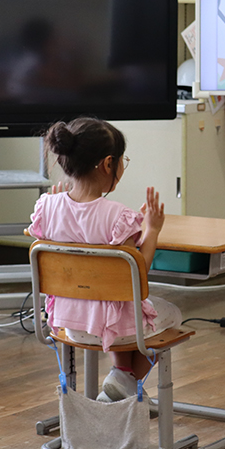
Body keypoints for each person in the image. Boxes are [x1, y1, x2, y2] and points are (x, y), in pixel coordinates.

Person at [27, 117, 182, 402]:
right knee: (168, 314)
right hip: (112, 329)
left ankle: (120, 375)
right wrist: (152, 230)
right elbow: (138, 274)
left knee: (121, 307)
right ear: (109, 164)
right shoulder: (117, 217)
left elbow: (42, 233)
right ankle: (125, 379)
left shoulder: (46, 207)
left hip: (68, 325)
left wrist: (61, 203)